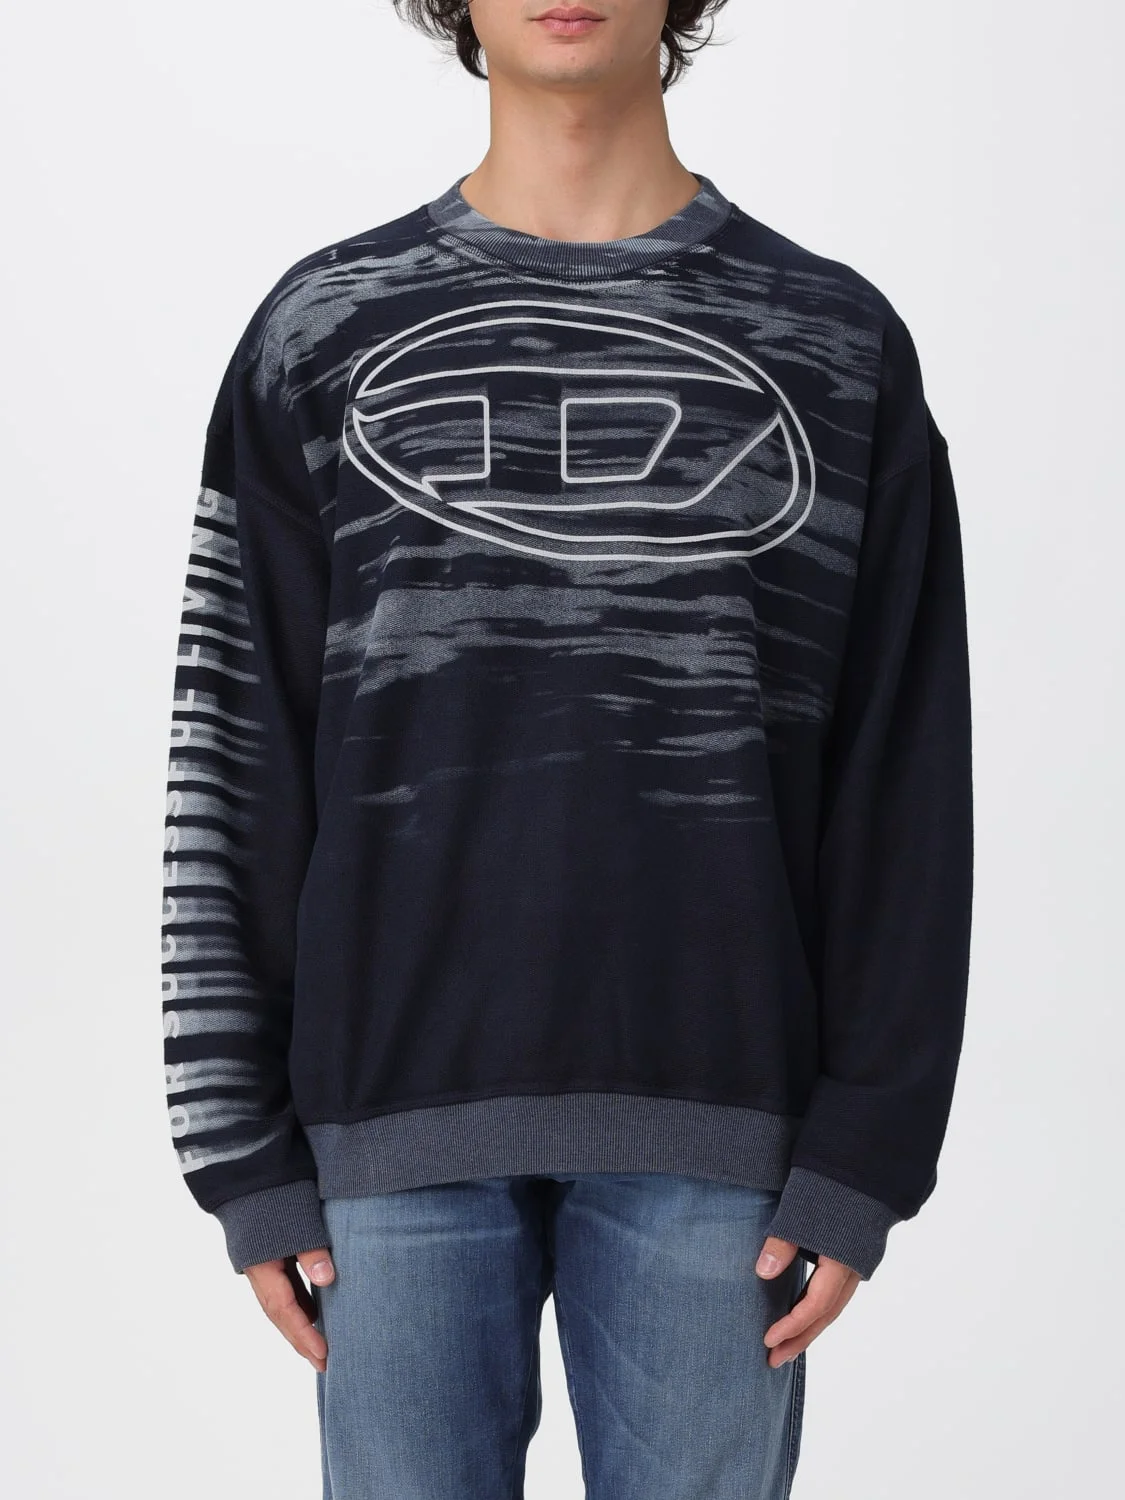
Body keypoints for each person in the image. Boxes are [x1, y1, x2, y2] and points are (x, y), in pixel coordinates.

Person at [159, 2, 973, 1495]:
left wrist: (871, 1142)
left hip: (725, 1120)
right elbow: (238, 746)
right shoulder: (321, 332)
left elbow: (905, 781)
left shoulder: (837, 343)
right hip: (385, 1117)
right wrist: (239, 1148)